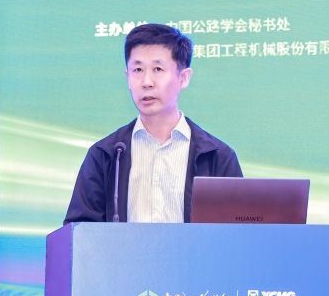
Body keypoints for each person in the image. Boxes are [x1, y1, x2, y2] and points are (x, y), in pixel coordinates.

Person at [64, 23, 242, 224]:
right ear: (128, 77)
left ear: (183, 78)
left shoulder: (217, 157)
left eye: (158, 69)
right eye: (138, 69)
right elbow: (79, 229)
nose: (146, 82)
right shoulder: (106, 155)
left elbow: (238, 232)